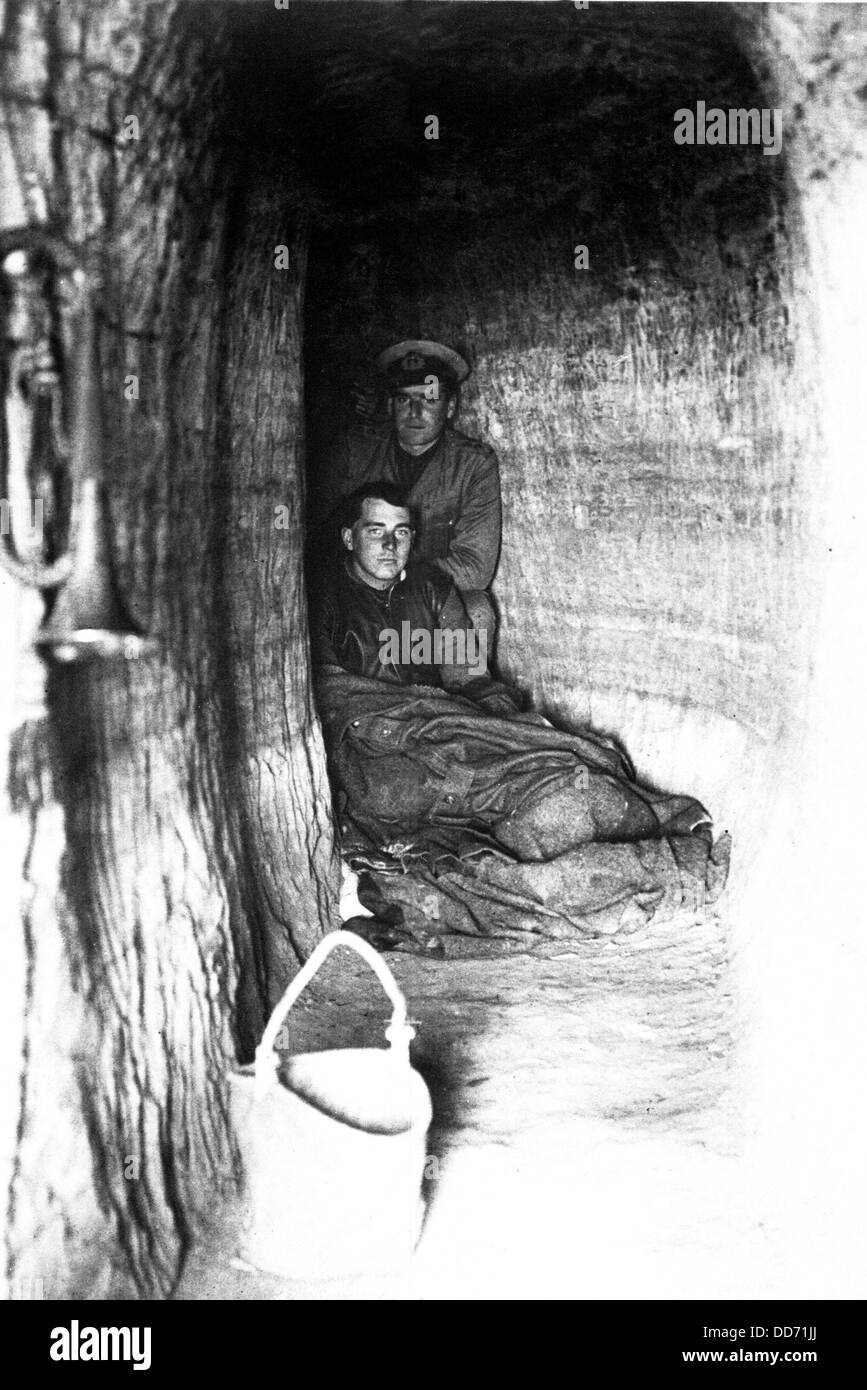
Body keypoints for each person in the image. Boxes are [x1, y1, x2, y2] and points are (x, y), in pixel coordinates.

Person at [312, 483, 730, 950]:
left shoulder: (429, 590)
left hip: (445, 729)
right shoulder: (325, 596)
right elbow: (335, 696)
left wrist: (510, 725)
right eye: (376, 531)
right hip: (381, 750)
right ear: (350, 538)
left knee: (559, 775)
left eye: (401, 532)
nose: (390, 546)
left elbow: (468, 679)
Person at [317, 339, 501, 641]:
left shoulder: (473, 465)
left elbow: (474, 567)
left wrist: (394, 575)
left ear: (450, 406)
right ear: (391, 404)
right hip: (353, 588)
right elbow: (320, 534)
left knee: (477, 610)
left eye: (429, 400)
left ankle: (467, 687)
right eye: (404, 400)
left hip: (423, 592)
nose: (415, 412)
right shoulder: (356, 448)